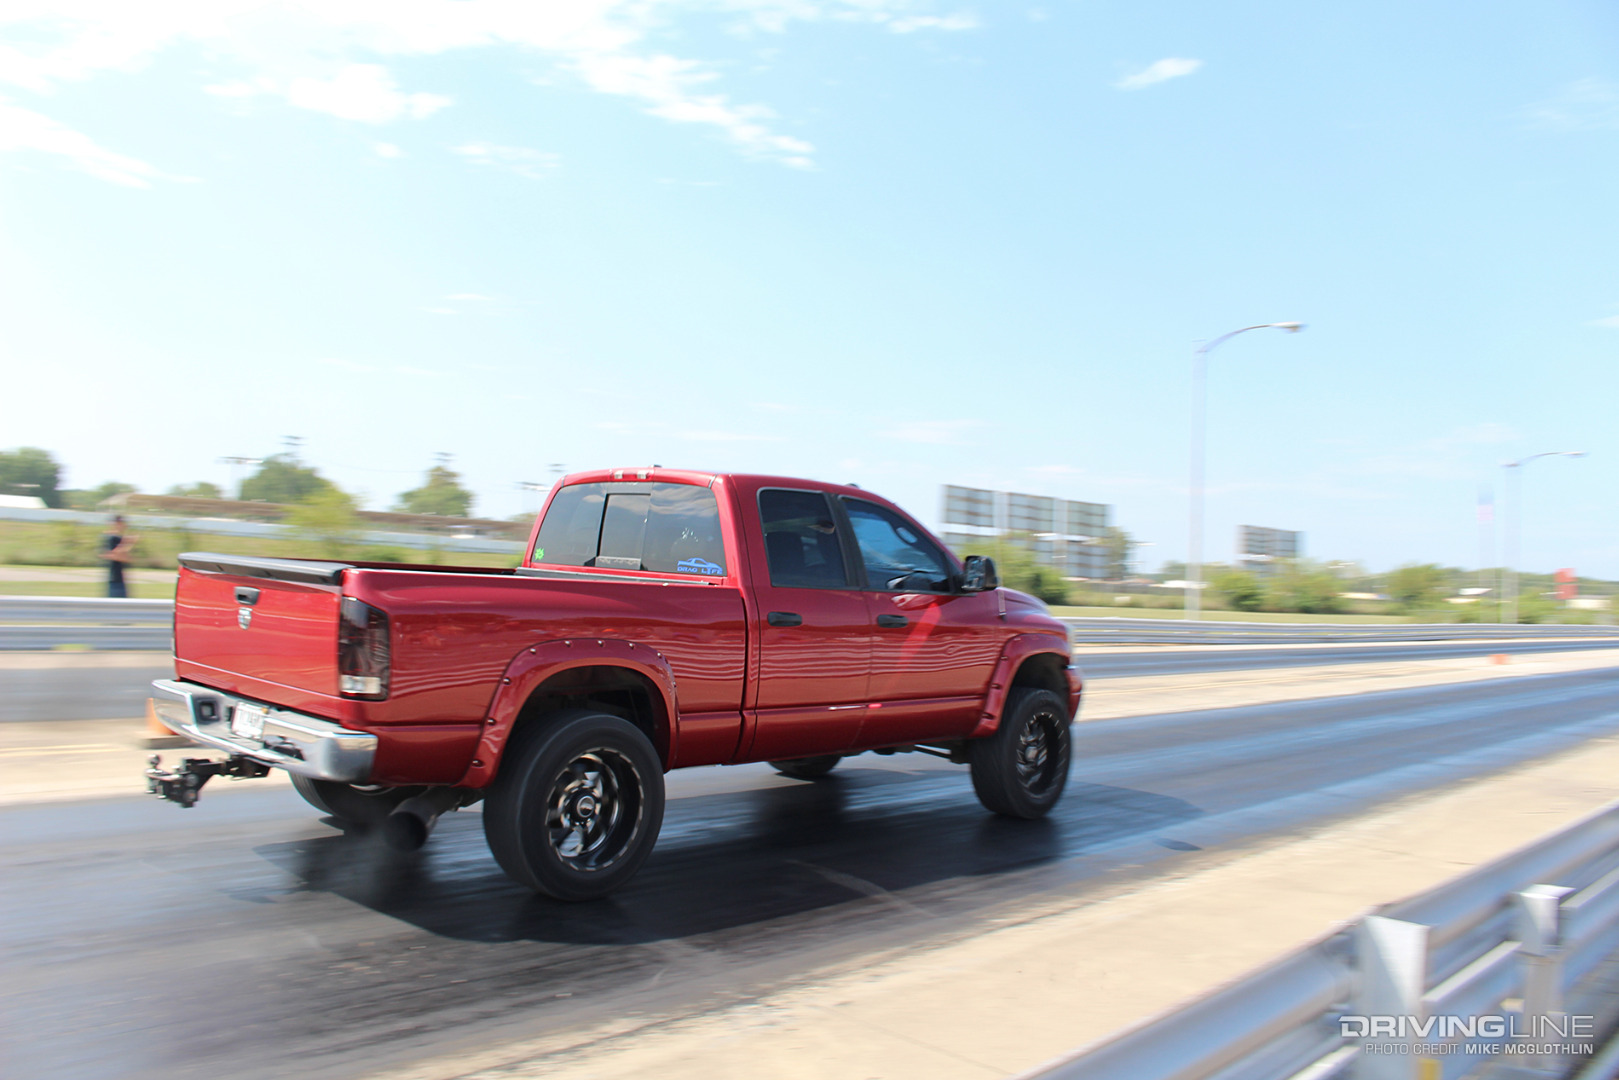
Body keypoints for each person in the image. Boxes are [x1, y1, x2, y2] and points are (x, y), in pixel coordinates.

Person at [100, 515, 136, 598]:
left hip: (120, 579)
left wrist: (128, 544)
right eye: (120, 523)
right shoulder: (112, 538)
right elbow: (114, 555)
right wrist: (127, 542)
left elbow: (127, 558)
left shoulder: (119, 538)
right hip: (114, 580)